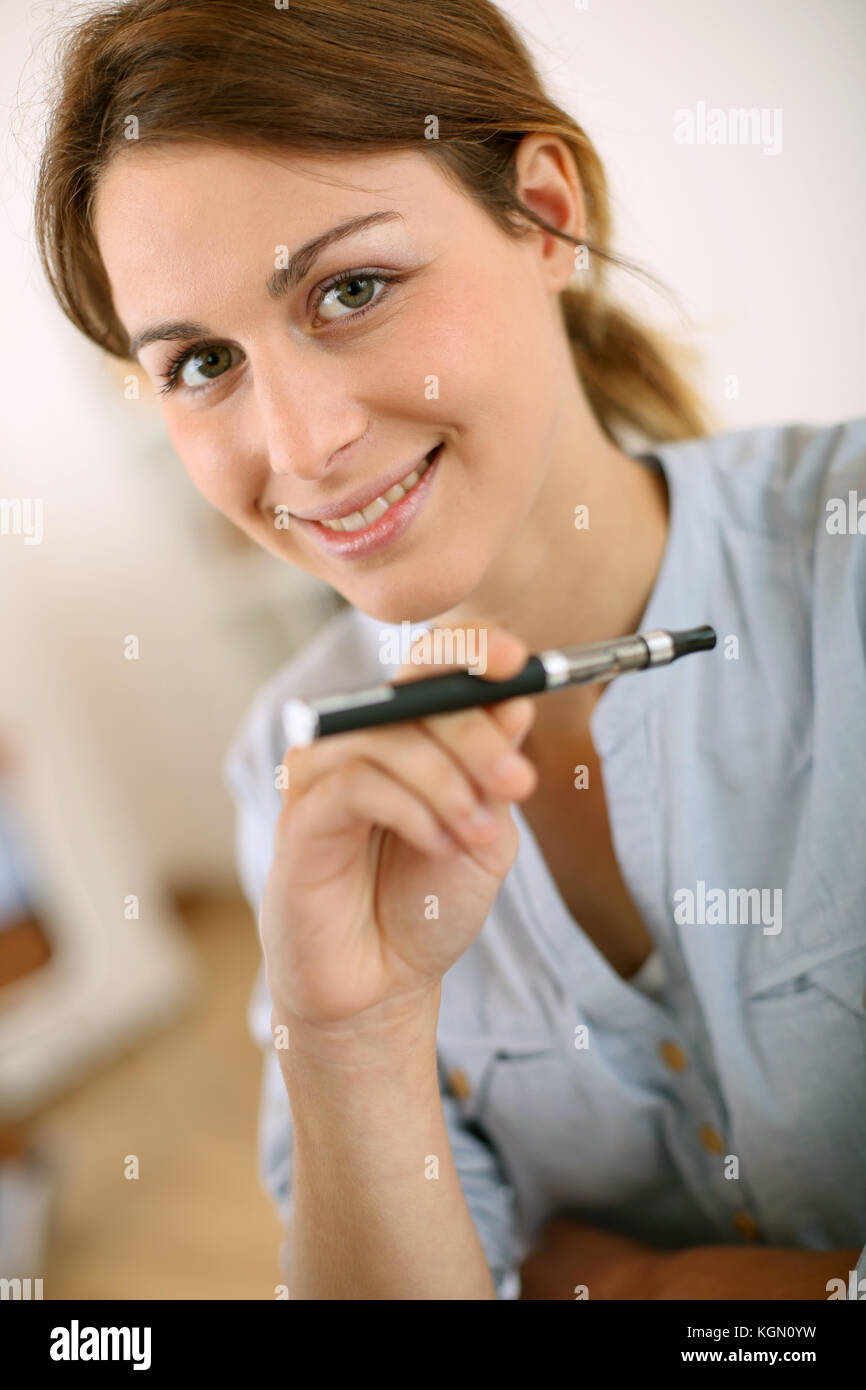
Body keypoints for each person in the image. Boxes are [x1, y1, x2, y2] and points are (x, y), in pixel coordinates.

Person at [34, 0, 866, 1299]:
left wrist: (639, 1290)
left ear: (543, 212)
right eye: (201, 362)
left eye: (350, 288)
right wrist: (349, 1033)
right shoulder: (290, 766)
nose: (300, 447)